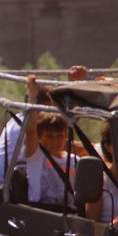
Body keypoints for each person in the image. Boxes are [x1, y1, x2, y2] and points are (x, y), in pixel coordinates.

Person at [21, 76, 78, 207]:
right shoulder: (35, 156)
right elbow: (30, 130)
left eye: (59, 136)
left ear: (66, 135)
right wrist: (33, 95)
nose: (55, 141)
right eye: (49, 136)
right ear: (40, 137)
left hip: (68, 215)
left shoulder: (75, 161)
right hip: (41, 213)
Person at [0, 81, 52, 185]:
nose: (52, 115)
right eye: (50, 109)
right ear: (40, 108)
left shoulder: (17, 120)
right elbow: (58, 146)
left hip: (3, 180)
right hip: (10, 186)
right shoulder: (31, 127)